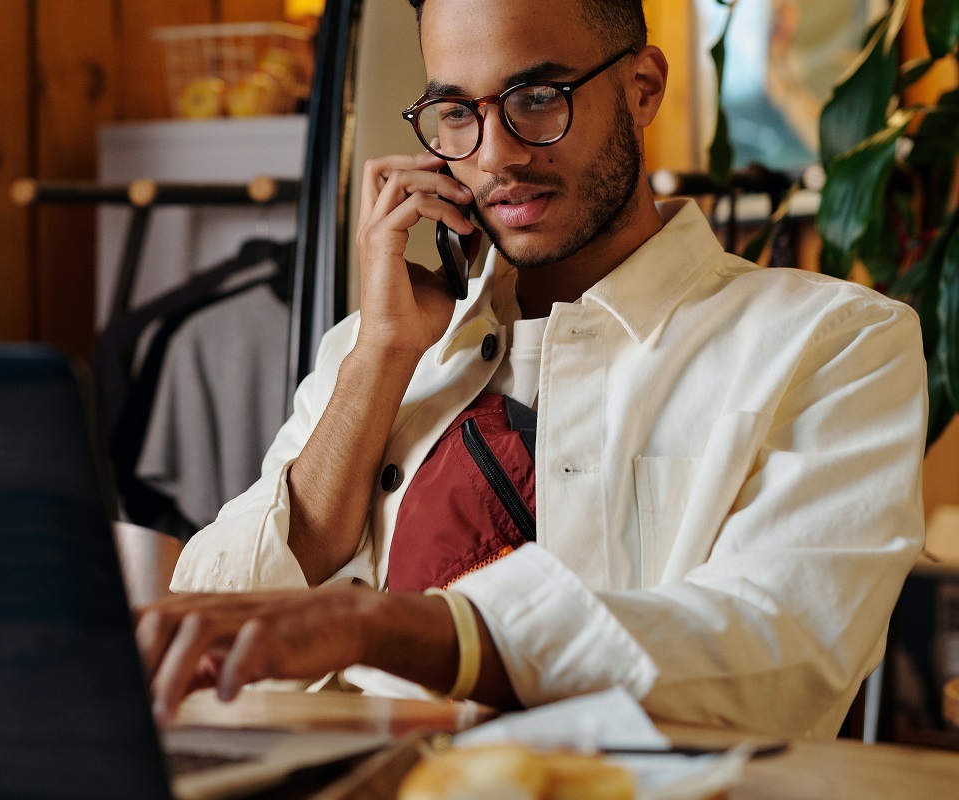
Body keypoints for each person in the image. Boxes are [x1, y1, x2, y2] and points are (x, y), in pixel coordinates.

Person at [134, 0, 927, 739]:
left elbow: (785, 649)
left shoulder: (834, 343)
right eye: (457, 114)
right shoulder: (376, 349)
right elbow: (209, 615)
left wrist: (386, 628)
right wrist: (380, 359)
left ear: (643, 87)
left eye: (539, 96)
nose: (497, 156)